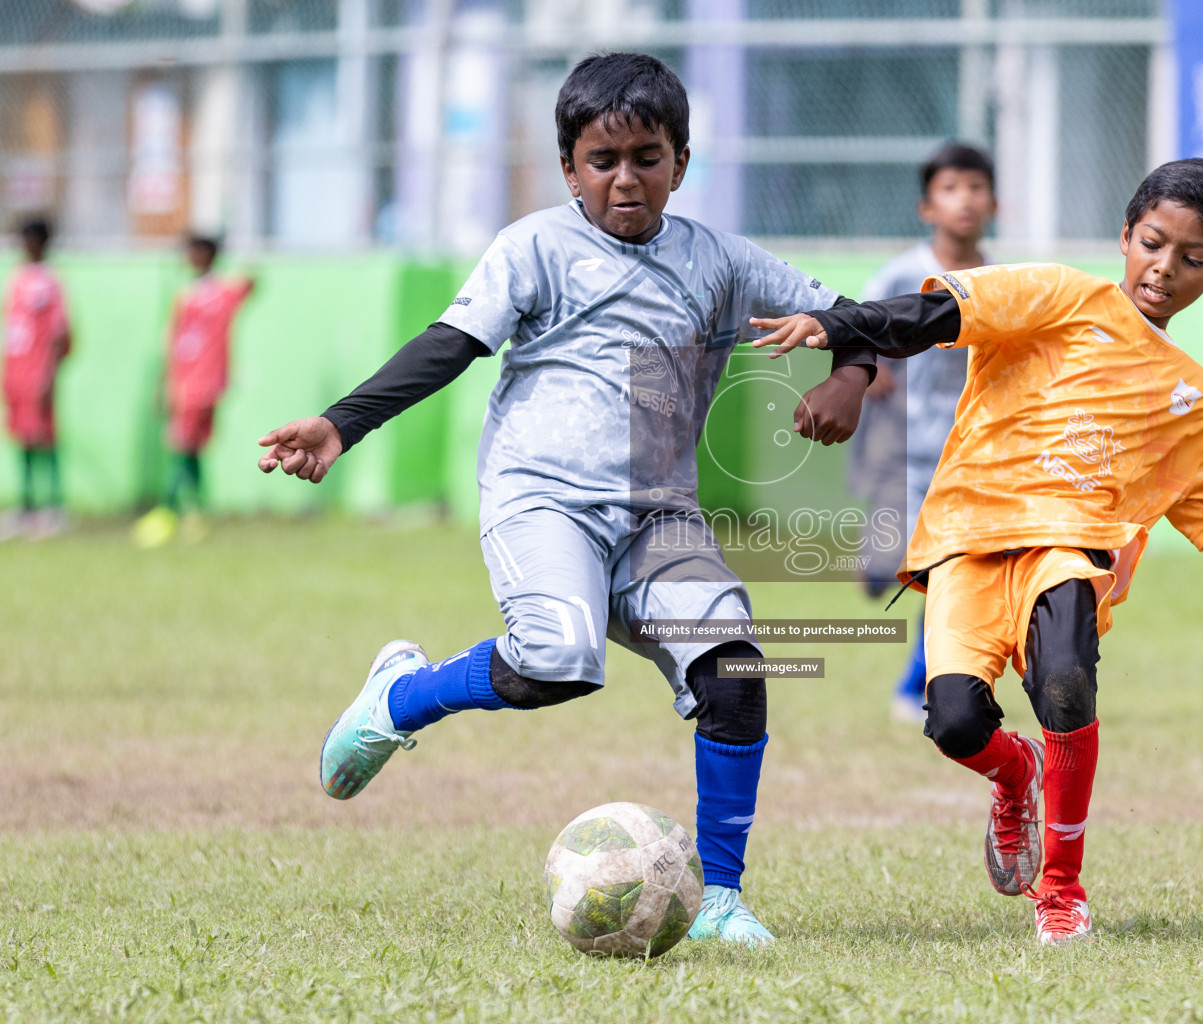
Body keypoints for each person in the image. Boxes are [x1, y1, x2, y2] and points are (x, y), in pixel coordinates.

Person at [256, 53, 872, 946]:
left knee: (736, 671)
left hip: (660, 517)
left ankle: (722, 902)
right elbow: (451, 344)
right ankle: (398, 699)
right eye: (603, 159)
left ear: (681, 162)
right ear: (569, 167)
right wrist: (342, 425)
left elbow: (849, 315)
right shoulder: (535, 247)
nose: (626, 179)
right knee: (556, 661)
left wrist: (850, 376)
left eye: (647, 158)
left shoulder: (720, 262)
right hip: (543, 501)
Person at [750, 157, 1203, 945]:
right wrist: (841, 332)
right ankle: (1016, 774)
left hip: (1069, 550)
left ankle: (1062, 891)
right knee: (952, 724)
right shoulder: (1057, 296)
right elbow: (932, 319)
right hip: (968, 541)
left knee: (1068, 683)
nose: (1165, 268)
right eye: (1153, 243)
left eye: (1193, 258)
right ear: (1124, 236)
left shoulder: (1188, 396)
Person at [844, 143, 997, 724]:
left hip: (969, 461)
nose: (965, 200)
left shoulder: (1000, 280)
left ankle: (916, 683)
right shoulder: (905, 274)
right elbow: (858, 327)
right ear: (927, 206)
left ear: (994, 202)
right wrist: (871, 364)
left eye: (976, 188)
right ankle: (878, 568)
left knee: (946, 576)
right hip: (903, 454)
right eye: (951, 188)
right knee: (889, 571)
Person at [134, 235, 255, 547]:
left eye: (197, 251)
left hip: (204, 382)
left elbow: (251, 282)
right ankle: (197, 513)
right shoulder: (185, 296)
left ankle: (167, 511)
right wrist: (164, 384)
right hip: (183, 381)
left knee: (183, 446)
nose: (190, 258)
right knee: (191, 449)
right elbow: (172, 344)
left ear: (209, 255)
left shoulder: (221, 292)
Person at [2, 217, 71, 540]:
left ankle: (55, 507)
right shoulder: (16, 277)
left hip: (38, 372)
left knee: (45, 437)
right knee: (22, 438)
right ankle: (27, 507)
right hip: (15, 370)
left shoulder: (51, 281)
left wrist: (49, 372)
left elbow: (60, 333)